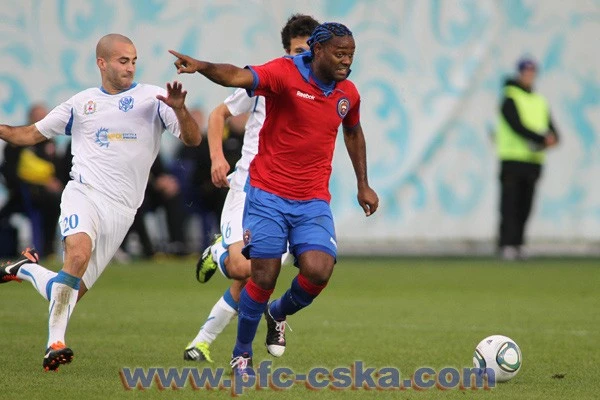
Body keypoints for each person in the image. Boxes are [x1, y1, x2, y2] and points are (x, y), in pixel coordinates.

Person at [170, 21, 379, 376]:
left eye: (351, 54)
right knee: (259, 275)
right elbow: (236, 77)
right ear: (317, 51)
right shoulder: (281, 73)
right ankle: (240, 354)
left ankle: (277, 312)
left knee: (319, 270)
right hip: (265, 193)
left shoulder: (348, 93)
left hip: (312, 199)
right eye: (340, 54)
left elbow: (353, 131)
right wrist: (202, 66)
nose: (347, 61)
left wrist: (364, 184)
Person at [0, 33, 201, 371]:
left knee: (66, 290)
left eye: (133, 61)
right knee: (77, 256)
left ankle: (26, 269)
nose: (130, 67)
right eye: (123, 61)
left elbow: (193, 139)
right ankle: (54, 344)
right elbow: (29, 134)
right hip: (84, 193)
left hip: (123, 210)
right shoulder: (81, 103)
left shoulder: (154, 98)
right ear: (102, 63)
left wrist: (180, 110)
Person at [183, 14, 320, 364]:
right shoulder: (269, 80)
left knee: (257, 279)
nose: (304, 56)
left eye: (310, 49)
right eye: (298, 50)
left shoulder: (322, 90)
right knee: (243, 269)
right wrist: (217, 157)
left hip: (288, 197)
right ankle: (219, 252)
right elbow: (218, 114)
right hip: (248, 188)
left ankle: (201, 342)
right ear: (287, 51)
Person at [496, 58, 559, 261]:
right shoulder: (510, 97)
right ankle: (506, 244)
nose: (529, 76)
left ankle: (518, 243)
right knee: (510, 204)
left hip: (533, 161)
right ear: (519, 74)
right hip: (512, 159)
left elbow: (551, 127)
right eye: (526, 72)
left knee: (525, 206)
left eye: (532, 73)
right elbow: (516, 125)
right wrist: (541, 138)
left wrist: (553, 138)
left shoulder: (540, 100)